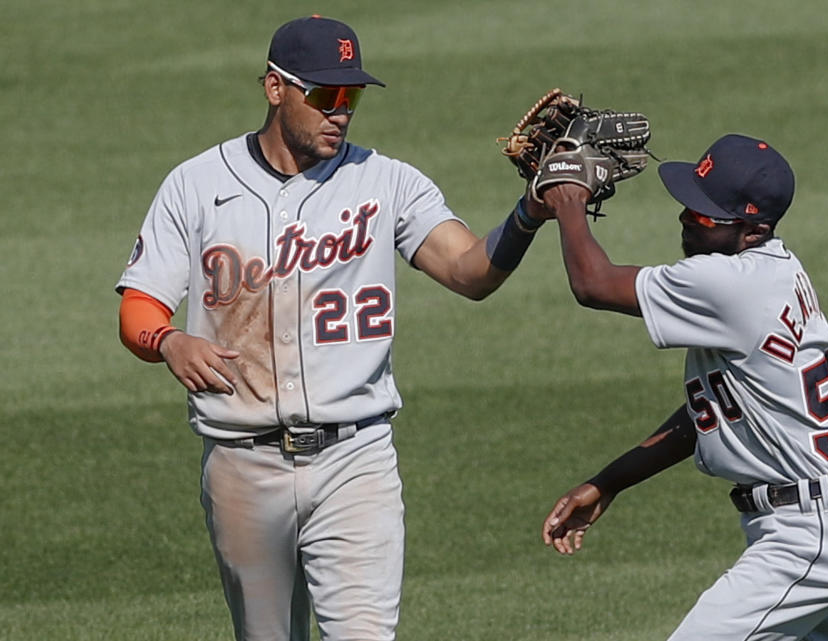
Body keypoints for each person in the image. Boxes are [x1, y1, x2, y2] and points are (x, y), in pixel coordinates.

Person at [116, 16, 549, 641]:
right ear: (274, 89)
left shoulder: (387, 181)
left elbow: (468, 271)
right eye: (324, 94)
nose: (340, 111)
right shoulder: (196, 184)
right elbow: (139, 304)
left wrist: (530, 211)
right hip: (243, 465)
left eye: (351, 96)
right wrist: (169, 340)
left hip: (356, 461)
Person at [539, 134, 828, 640]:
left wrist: (568, 199)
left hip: (807, 539)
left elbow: (593, 283)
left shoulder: (730, 285)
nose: (686, 219)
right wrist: (610, 482)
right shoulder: (781, 269)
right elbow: (713, 412)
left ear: (754, 230)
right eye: (689, 206)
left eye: (705, 215)